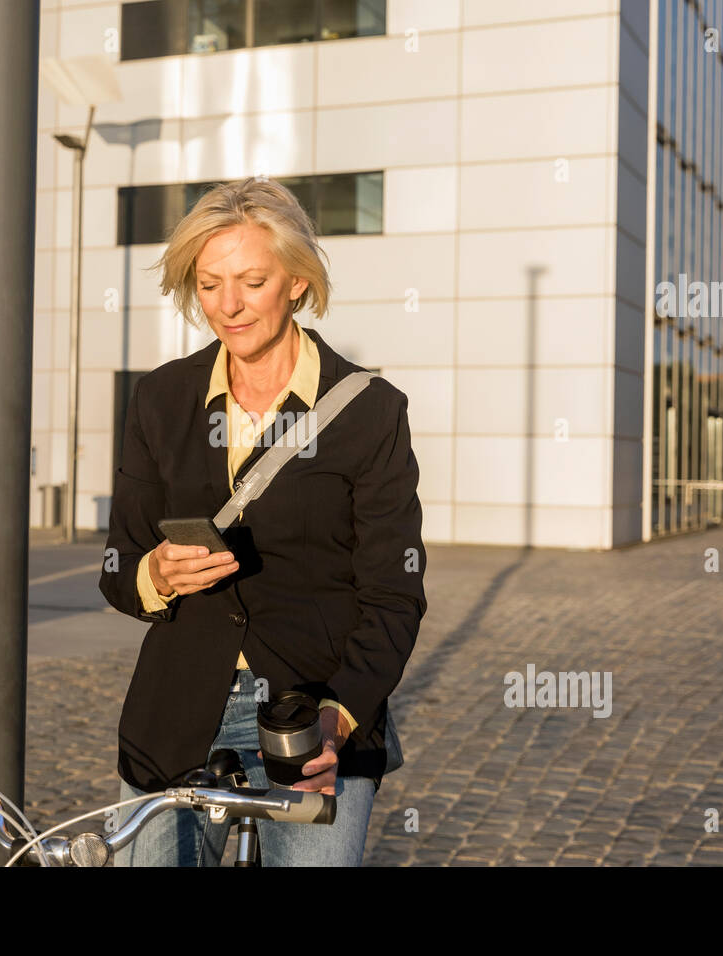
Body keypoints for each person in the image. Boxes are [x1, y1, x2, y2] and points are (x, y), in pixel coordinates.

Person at [98, 176, 427, 866]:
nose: (228, 305)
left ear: (298, 283)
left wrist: (339, 718)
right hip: (174, 714)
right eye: (210, 282)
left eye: (251, 281)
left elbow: (394, 597)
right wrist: (154, 573)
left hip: (314, 718)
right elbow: (117, 568)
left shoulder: (369, 411)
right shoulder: (160, 400)